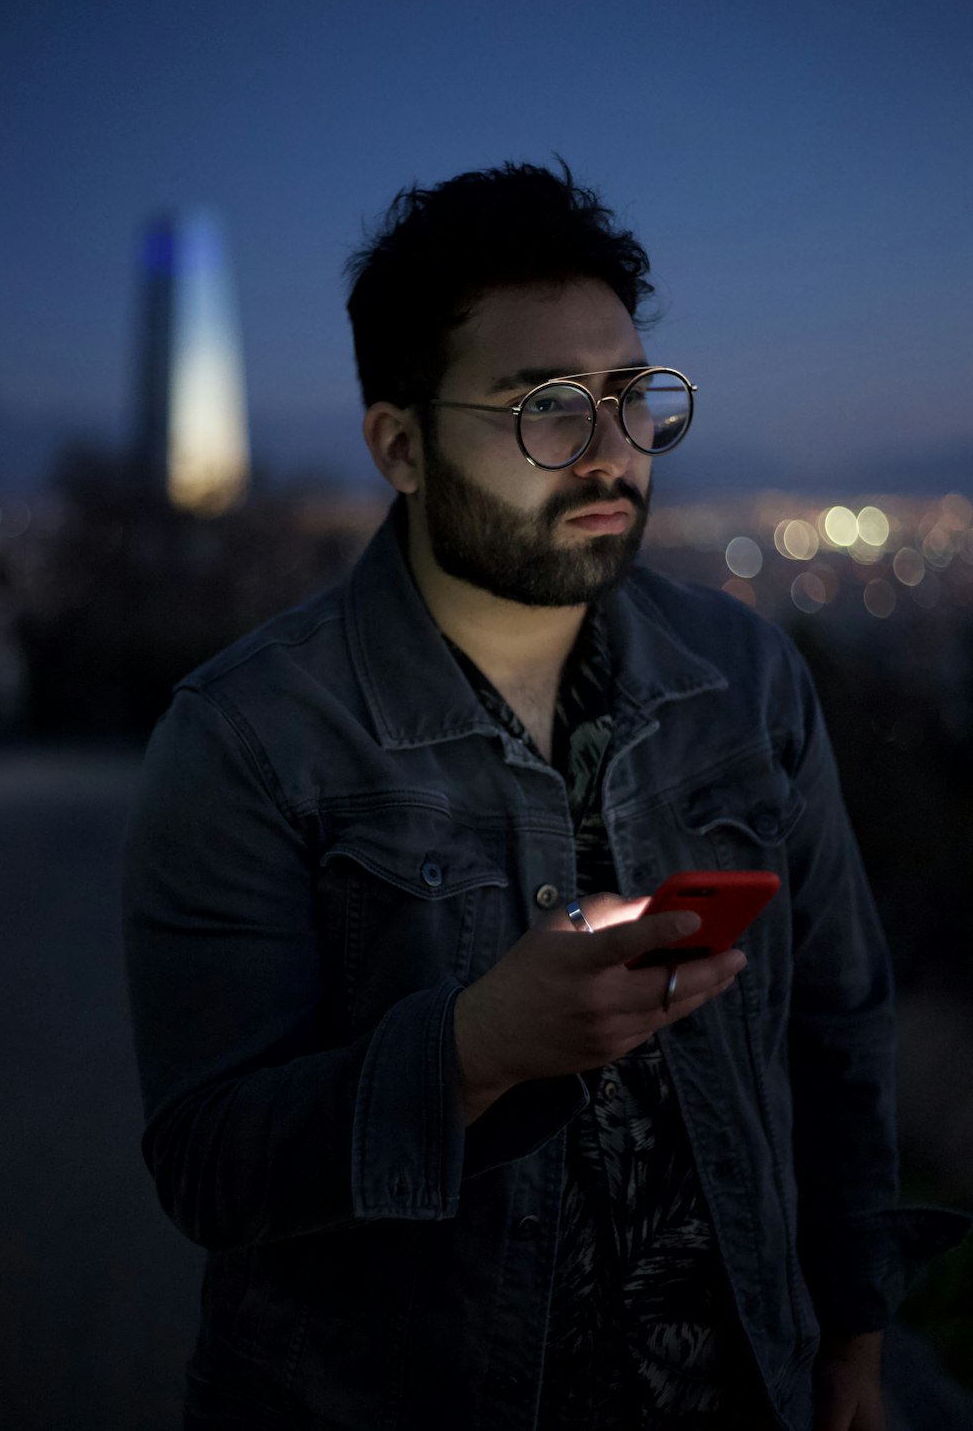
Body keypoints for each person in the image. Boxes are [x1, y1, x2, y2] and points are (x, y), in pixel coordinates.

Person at [122, 161, 967, 1431]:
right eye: (545, 409)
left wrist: (849, 1329)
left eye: (633, 401)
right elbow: (209, 1161)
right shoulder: (252, 735)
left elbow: (836, 1026)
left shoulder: (742, 682)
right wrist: (470, 1053)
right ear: (399, 446)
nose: (610, 455)